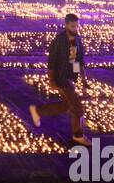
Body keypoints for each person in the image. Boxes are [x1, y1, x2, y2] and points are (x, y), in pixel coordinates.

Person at [35, 13, 89, 147]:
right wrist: (51, 80)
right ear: (66, 25)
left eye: (77, 26)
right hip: (61, 78)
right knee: (77, 108)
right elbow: (51, 62)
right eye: (72, 26)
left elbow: (77, 62)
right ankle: (78, 136)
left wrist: (82, 80)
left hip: (70, 78)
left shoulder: (77, 41)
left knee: (66, 105)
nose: (75, 28)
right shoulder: (58, 41)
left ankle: (37, 111)